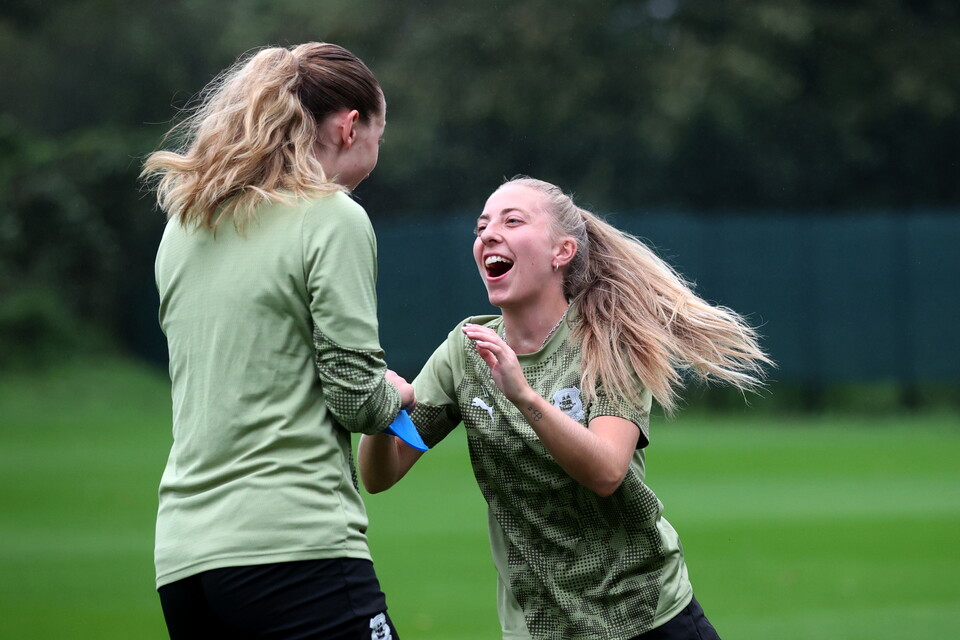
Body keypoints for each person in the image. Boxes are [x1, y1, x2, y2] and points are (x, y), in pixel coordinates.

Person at [358, 176, 772, 640]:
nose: (488, 234)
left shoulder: (606, 339)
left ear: (563, 252)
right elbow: (381, 476)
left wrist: (524, 396)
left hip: (645, 617)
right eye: (481, 227)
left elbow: (606, 471)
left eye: (512, 221)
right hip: (537, 629)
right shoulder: (466, 351)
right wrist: (382, 414)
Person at [142, 42, 411, 640]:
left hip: (184, 563)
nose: (375, 152)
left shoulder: (185, 227)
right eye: (378, 135)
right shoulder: (333, 218)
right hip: (294, 547)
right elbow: (356, 400)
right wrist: (399, 396)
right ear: (348, 127)